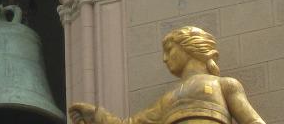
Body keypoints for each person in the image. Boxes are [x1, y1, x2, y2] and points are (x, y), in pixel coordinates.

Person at [69, 27, 267, 124]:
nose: (165, 59)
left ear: (189, 48)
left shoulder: (225, 85)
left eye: (170, 50)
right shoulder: (168, 100)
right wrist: (96, 115)